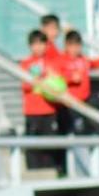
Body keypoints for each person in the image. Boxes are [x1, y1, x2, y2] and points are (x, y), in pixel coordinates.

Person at [19, 30, 66, 170]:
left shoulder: (53, 63)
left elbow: (60, 84)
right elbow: (25, 85)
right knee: (33, 145)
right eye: (35, 44)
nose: (38, 47)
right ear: (30, 46)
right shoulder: (25, 64)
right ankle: (33, 171)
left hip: (49, 110)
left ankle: (51, 170)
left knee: (51, 144)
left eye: (41, 44)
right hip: (32, 111)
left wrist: (50, 80)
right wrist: (40, 81)